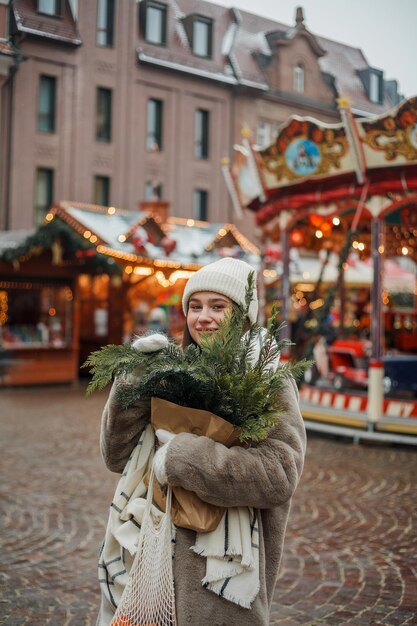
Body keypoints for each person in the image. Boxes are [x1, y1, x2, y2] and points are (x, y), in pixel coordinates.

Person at [97, 257, 306, 626]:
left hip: (221, 589)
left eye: (217, 306)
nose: (203, 317)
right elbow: (116, 455)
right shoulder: (173, 372)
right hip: (149, 560)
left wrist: (186, 457)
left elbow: (280, 473)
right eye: (195, 306)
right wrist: (133, 377)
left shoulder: (266, 378)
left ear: (242, 315)